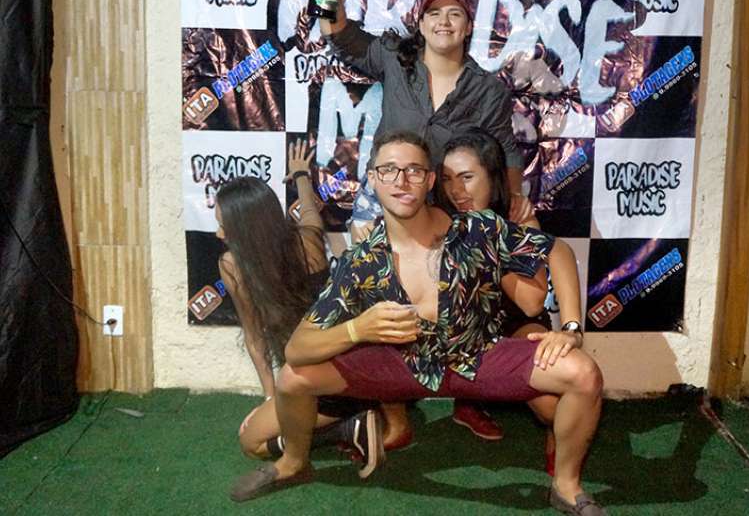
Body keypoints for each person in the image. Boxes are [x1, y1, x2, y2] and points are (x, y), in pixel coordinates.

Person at [262, 131, 607, 516]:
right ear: (373, 179)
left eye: (413, 170)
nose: (401, 180)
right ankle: (294, 462)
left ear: (428, 180)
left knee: (583, 373)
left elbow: (557, 250)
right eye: (389, 170)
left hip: (478, 358)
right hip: (400, 367)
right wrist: (358, 330)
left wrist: (571, 329)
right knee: (293, 378)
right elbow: (297, 348)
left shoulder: (476, 230)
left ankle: (566, 485)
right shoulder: (362, 260)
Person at [315, 0, 535, 240]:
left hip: (445, 213)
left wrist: (515, 198)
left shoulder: (488, 91)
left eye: (454, 14)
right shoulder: (394, 58)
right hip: (383, 203)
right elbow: (335, 31)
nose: (444, 21)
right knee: (369, 269)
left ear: (469, 27)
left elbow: (506, 153)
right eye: (434, 13)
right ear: (421, 24)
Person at [215, 141, 387, 502]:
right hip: (354, 370)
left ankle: (349, 427)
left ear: (245, 229)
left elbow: (255, 337)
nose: (219, 234)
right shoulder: (308, 240)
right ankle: (355, 419)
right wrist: (301, 176)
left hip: (318, 381)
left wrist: (274, 397)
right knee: (267, 425)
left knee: (251, 442)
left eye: (223, 225)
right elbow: (309, 208)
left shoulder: (232, 265)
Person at [438, 129, 581, 474]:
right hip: (466, 330)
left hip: (515, 320)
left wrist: (487, 237)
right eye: (447, 179)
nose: (456, 190)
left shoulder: (517, 216)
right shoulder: (439, 219)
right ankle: (467, 401)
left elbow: (531, 302)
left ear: (493, 177)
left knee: (551, 407)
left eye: (467, 177)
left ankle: (555, 435)